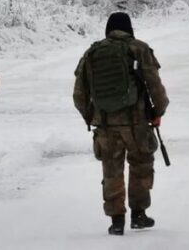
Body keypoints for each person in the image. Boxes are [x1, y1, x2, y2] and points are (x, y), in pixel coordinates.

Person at [73, 12, 170, 236]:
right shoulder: (139, 49)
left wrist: (92, 117)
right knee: (141, 164)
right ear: (129, 28)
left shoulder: (92, 53)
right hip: (136, 123)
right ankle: (138, 215)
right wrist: (158, 111)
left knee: (111, 170)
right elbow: (155, 86)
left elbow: (79, 95)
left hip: (105, 125)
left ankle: (116, 221)